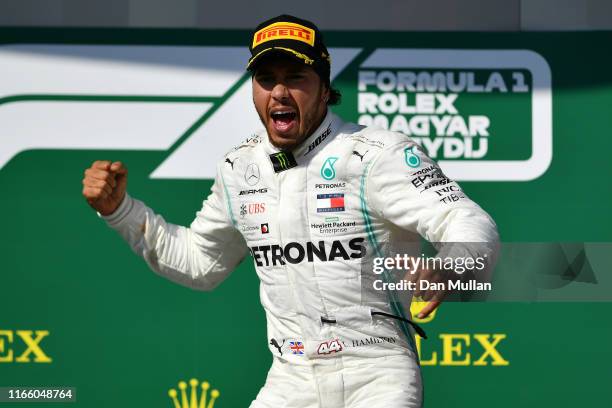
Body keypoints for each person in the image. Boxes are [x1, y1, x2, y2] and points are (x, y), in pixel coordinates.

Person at [82, 15, 499, 408]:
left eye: (295, 78)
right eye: (266, 80)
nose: (279, 92)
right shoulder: (240, 169)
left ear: (323, 86)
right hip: (291, 379)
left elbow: (469, 221)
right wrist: (120, 211)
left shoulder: (376, 154)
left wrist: (451, 266)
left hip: (376, 375)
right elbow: (199, 263)